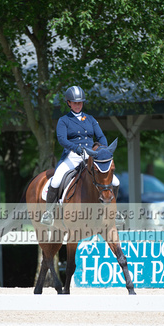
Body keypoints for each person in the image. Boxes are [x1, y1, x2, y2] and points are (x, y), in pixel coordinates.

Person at [41, 85, 120, 225]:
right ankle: (49, 213)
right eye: (75, 102)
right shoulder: (63, 120)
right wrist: (76, 148)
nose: (78, 105)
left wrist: (103, 150)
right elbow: (62, 139)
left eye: (80, 102)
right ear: (69, 103)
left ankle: (114, 211)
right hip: (72, 155)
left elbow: (101, 136)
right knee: (57, 179)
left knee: (115, 181)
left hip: (91, 155)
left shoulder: (90, 119)